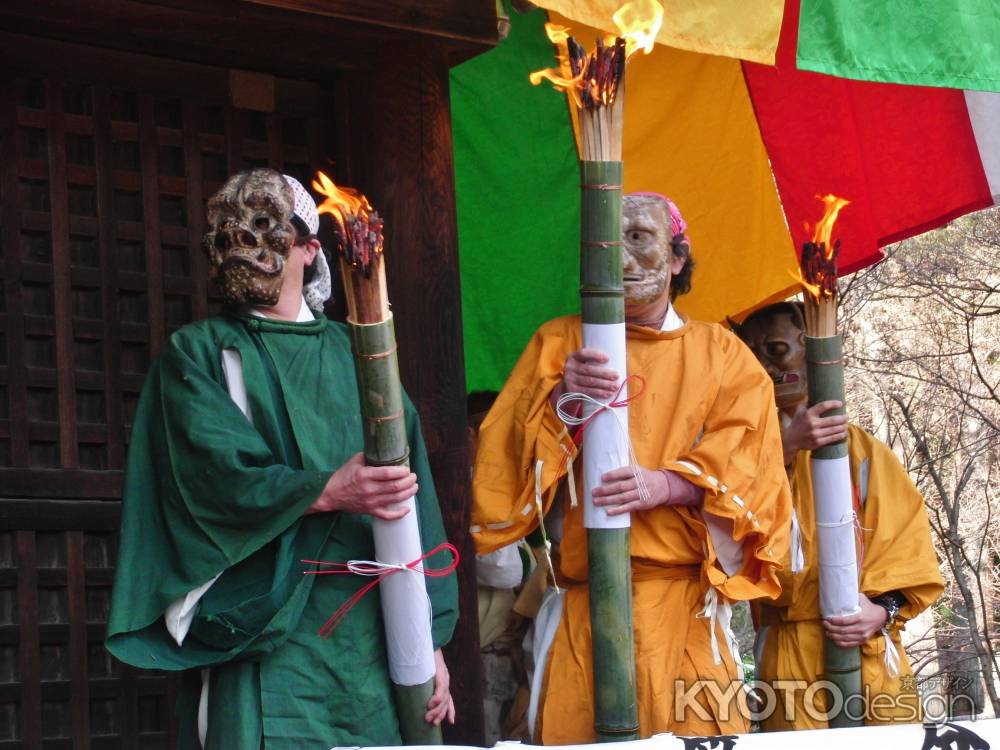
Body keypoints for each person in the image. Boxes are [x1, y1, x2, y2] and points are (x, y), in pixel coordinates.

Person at [105, 168, 458, 749]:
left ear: (309, 247)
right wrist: (327, 491)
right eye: (225, 232)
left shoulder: (361, 352)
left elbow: (416, 501)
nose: (240, 244)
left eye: (265, 227)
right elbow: (211, 479)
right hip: (267, 624)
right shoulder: (200, 353)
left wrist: (431, 639)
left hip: (375, 627)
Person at [472, 193, 791, 742]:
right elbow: (499, 477)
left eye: (640, 239)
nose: (620, 257)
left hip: (683, 611)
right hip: (583, 614)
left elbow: (753, 468)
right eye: (606, 242)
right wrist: (560, 403)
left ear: (675, 259)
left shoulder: (723, 353)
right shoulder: (559, 342)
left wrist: (667, 485)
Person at [735, 301, 944, 729]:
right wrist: (785, 447)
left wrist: (883, 610)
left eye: (775, 350)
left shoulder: (863, 453)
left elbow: (908, 546)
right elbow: (727, 526)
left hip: (867, 644)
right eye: (752, 355)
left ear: (811, 350)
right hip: (787, 651)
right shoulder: (738, 454)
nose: (766, 367)